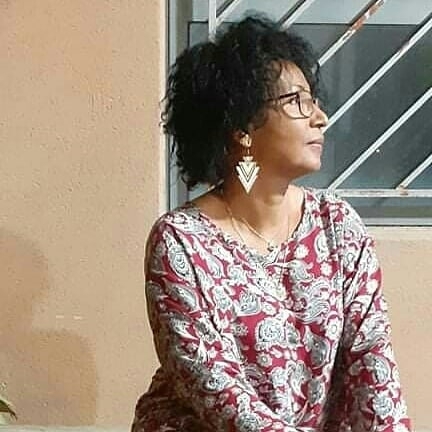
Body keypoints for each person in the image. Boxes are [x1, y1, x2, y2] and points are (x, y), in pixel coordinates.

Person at [131, 15, 411, 432]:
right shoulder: (181, 242)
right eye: (297, 101)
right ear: (242, 126)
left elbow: (373, 366)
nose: (320, 117)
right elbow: (218, 393)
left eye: (314, 99)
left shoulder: (338, 226)